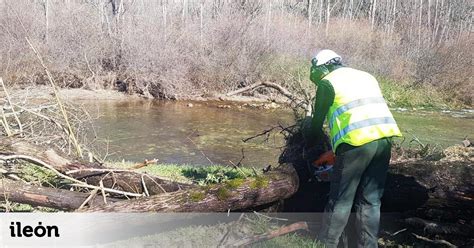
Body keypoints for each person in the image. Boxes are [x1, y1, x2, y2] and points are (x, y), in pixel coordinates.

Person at [309, 49, 402, 248]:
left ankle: (327, 243)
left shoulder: (328, 82)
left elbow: (317, 123)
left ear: (323, 66)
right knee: (371, 200)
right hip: (384, 139)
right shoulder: (366, 76)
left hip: (356, 143)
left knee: (341, 199)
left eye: (314, 69)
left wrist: (307, 134)